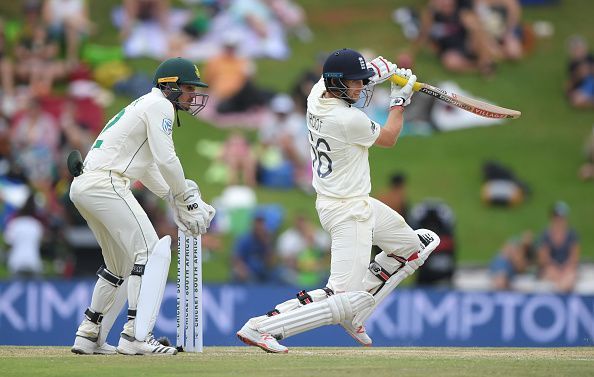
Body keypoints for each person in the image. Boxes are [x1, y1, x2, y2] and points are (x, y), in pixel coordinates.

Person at [236, 49, 440, 353]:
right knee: (342, 297)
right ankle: (262, 328)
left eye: (361, 82)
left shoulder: (316, 95)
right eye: (354, 84)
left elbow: (346, 76)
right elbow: (390, 137)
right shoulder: (346, 119)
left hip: (353, 202)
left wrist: (376, 71)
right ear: (336, 83)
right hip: (348, 212)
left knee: (415, 247)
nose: (359, 89)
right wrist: (399, 101)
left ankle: (355, 315)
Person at [69, 57, 216, 356]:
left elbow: (148, 168)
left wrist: (173, 198)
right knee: (149, 252)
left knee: (119, 266)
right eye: (188, 88)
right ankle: (135, 336)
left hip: (85, 186)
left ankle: (89, 334)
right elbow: (167, 160)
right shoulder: (159, 105)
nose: (192, 95)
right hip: (106, 183)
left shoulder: (143, 106)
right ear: (169, 86)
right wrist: (186, 198)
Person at [537, 201, 580, 293]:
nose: (559, 221)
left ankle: (561, 290)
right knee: (551, 272)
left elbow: (574, 257)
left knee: (569, 276)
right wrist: (555, 267)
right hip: (551, 267)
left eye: (561, 218)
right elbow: (544, 258)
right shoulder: (546, 235)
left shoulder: (572, 234)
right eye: (557, 218)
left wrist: (566, 267)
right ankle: (562, 292)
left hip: (566, 267)